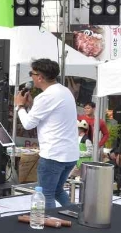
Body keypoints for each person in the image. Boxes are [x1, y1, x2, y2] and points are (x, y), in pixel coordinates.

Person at [14, 59, 80, 210]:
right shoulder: (64, 91)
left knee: (46, 195)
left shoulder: (45, 97)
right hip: (69, 153)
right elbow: (49, 115)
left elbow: (28, 124)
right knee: (57, 191)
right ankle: (76, 215)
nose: (30, 77)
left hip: (53, 154)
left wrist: (20, 106)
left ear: (39, 77)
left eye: (31, 73)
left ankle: (50, 225)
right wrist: (30, 105)